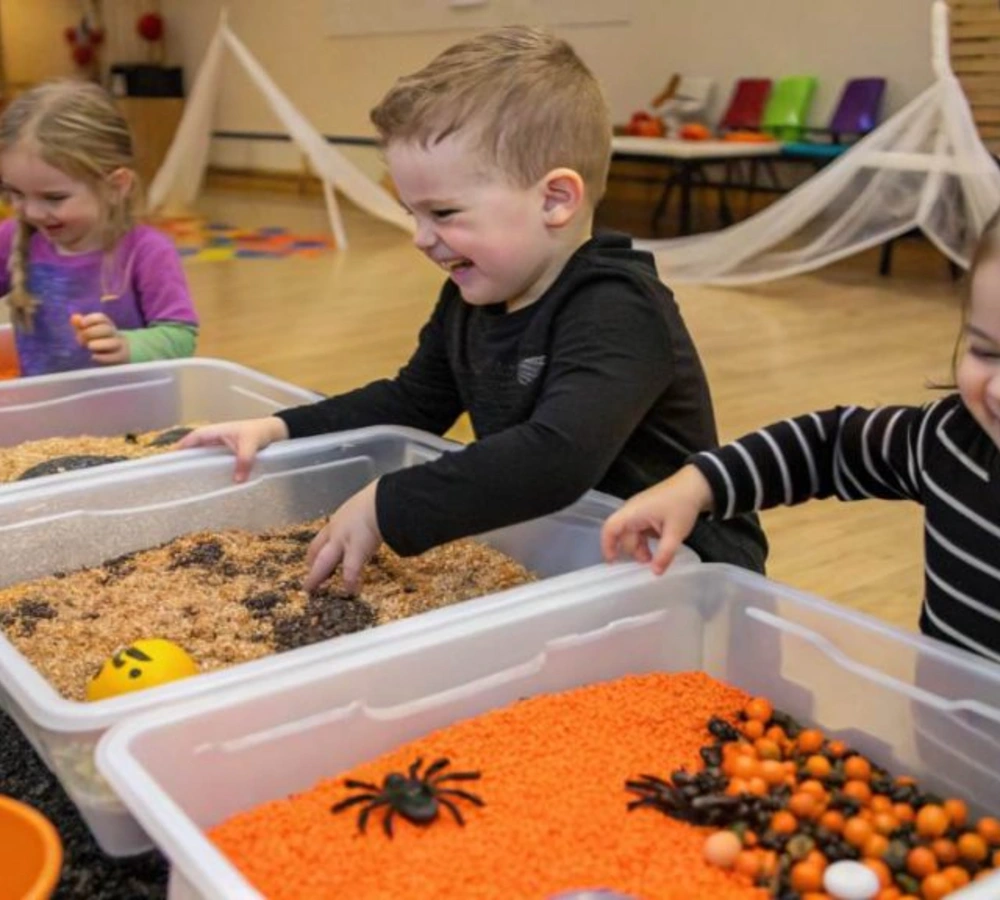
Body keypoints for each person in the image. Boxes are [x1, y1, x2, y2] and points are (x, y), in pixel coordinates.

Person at [180, 26, 767, 593]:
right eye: (412, 213)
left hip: (687, 574)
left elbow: (555, 459)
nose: (419, 237)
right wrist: (281, 427)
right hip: (571, 560)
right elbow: (411, 403)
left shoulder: (618, 308)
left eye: (443, 213)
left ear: (555, 200)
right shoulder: (472, 295)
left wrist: (390, 503)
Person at [602, 212, 1000, 664]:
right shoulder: (949, 438)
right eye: (986, 351)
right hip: (943, 729)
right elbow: (826, 446)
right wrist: (696, 486)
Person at [0, 80, 198, 376]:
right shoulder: (11, 237)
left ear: (115, 186)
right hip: (46, 412)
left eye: (54, 198)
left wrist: (127, 345)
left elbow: (181, 336)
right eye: (14, 193)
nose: (31, 212)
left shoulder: (147, 251)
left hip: (134, 417)